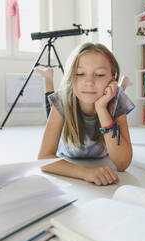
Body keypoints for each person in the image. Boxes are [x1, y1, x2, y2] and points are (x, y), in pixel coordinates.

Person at [37, 43, 135, 186]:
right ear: (71, 77)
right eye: (80, 74)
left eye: (100, 75)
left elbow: (122, 164)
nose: (89, 82)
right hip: (67, 145)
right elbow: (44, 159)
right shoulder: (62, 99)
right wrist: (86, 172)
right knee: (51, 108)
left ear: (112, 79)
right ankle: (48, 79)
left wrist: (101, 108)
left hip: (100, 141)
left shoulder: (117, 101)